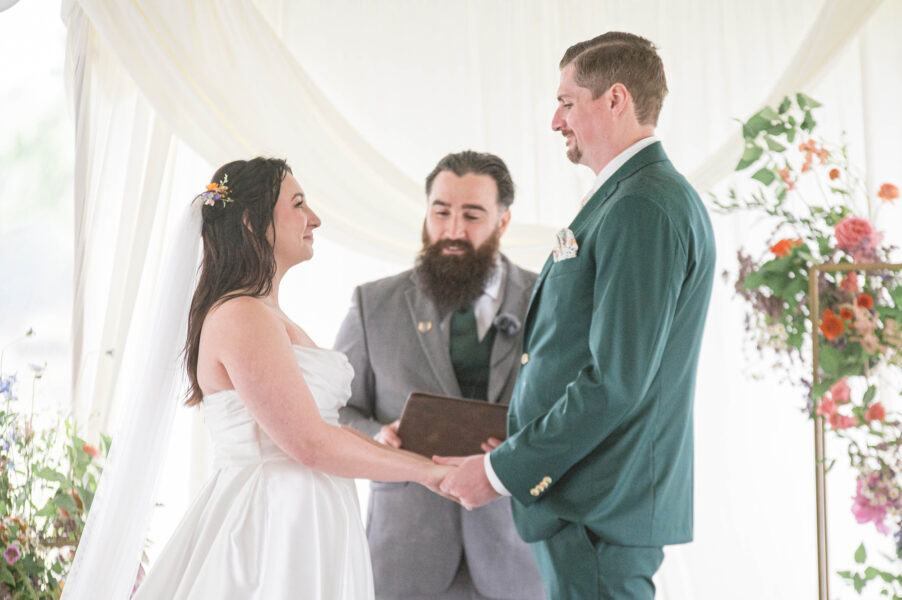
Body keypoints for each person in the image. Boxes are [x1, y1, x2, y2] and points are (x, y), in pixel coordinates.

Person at [65, 158, 452, 600]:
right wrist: (428, 474)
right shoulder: (242, 315)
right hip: (270, 525)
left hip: (306, 515)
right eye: (298, 204)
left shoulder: (267, 314)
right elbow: (310, 444)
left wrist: (400, 451)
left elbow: (323, 428)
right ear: (252, 221)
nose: (315, 219)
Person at [437, 33, 717, 600]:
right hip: (588, 504)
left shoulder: (641, 205)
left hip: (598, 507)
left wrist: (501, 472)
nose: (555, 121)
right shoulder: (630, 196)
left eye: (566, 102)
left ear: (615, 99)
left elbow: (616, 381)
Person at [335, 150, 544, 600]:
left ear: (503, 221)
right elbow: (333, 412)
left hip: (518, 552)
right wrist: (376, 437)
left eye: (472, 215)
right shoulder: (373, 304)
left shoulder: (549, 300)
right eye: (441, 212)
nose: (453, 231)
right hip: (404, 554)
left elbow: (573, 412)